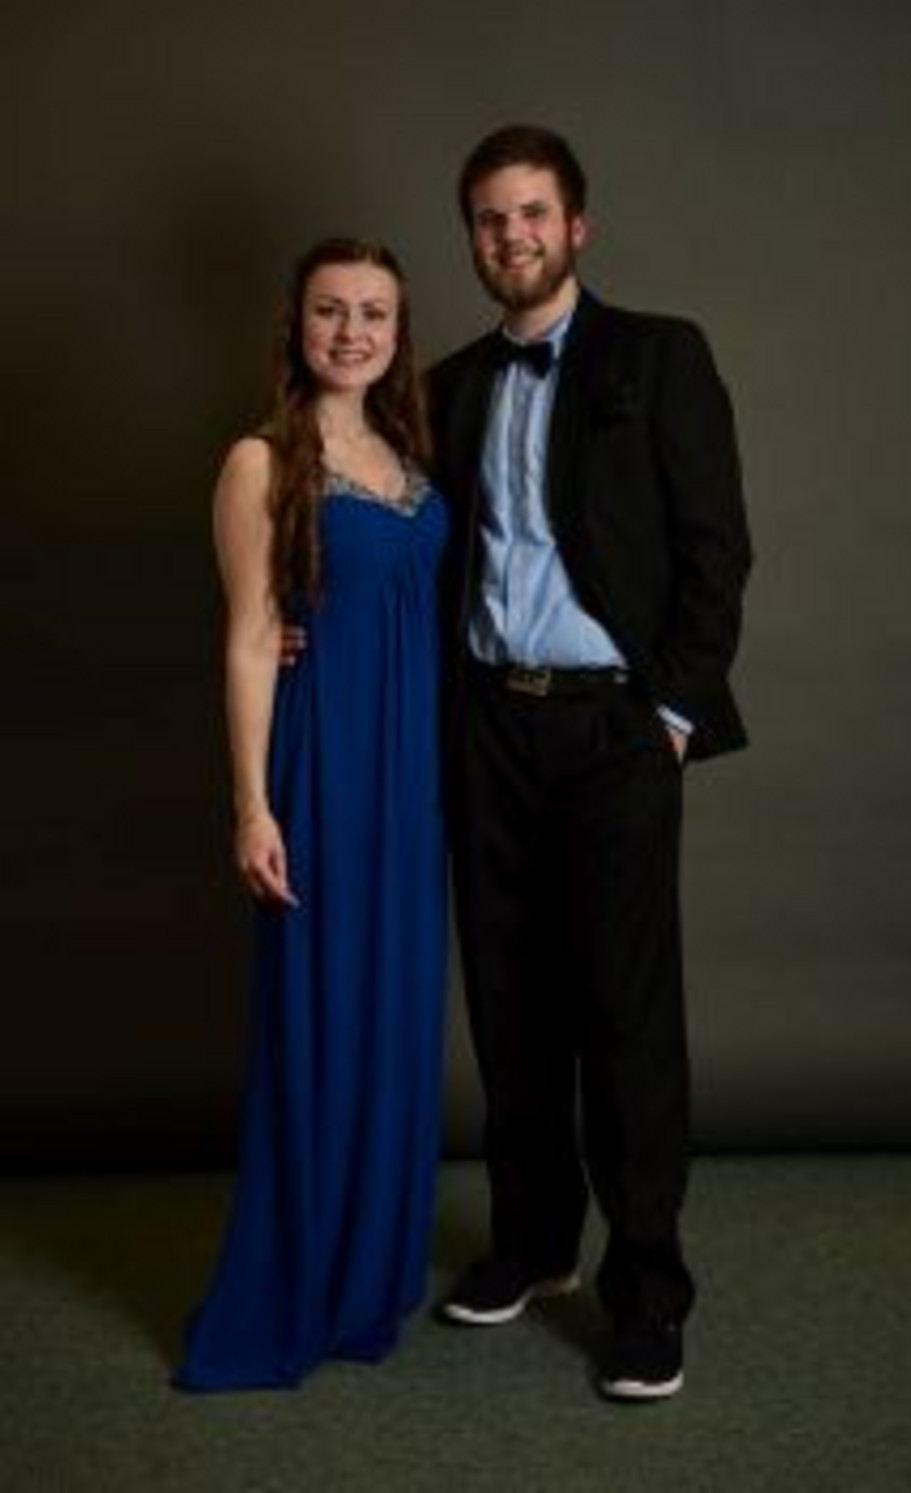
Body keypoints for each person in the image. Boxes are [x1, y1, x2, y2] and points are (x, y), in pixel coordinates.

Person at [429, 125, 752, 1401]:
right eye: (489, 219)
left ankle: (649, 1290)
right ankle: (533, 1240)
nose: (510, 236)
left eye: (531, 214)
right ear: (473, 238)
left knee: (624, 1016)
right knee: (509, 1004)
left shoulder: (659, 356)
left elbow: (716, 547)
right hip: (487, 725)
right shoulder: (450, 384)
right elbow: (404, 545)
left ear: (577, 226)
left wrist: (667, 713)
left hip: (614, 729)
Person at [175, 237, 450, 1391]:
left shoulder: (410, 450)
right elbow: (250, 637)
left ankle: (368, 1271)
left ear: (397, 329)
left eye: (373, 312)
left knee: (395, 1015)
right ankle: (296, 1277)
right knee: (320, 1014)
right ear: (295, 324)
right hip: (325, 761)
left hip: (413, 772)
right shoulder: (258, 459)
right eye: (330, 310)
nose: (351, 331)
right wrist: (253, 805)